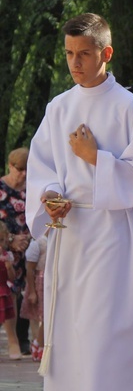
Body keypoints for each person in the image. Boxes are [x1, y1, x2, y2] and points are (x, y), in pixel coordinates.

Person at [26, 12, 133, 391]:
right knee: (71, 333)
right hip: (71, 236)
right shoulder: (59, 106)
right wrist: (49, 197)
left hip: (110, 236)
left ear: (106, 53)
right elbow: (42, 166)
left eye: (84, 54)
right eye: (69, 54)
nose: (75, 63)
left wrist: (96, 159)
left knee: (104, 334)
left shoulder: (129, 108)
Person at [0, 147, 32, 355]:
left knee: (26, 293)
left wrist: (27, 239)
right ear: (10, 166)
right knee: (8, 293)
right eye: (20, 169)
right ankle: (13, 342)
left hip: (28, 247)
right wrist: (11, 240)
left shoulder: (31, 190)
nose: (24, 174)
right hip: (4, 248)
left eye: (27, 169)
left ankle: (23, 339)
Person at [21, 233, 48, 362]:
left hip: (53, 282)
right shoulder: (38, 242)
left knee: (48, 316)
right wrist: (32, 291)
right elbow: (30, 269)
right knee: (42, 316)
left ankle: (40, 342)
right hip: (40, 283)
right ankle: (39, 344)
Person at [0, 221, 20, 359]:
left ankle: (13, 342)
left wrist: (9, 267)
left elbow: (12, 277)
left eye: (1, 240)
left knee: (5, 319)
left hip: (2, 289)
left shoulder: (6, 255)